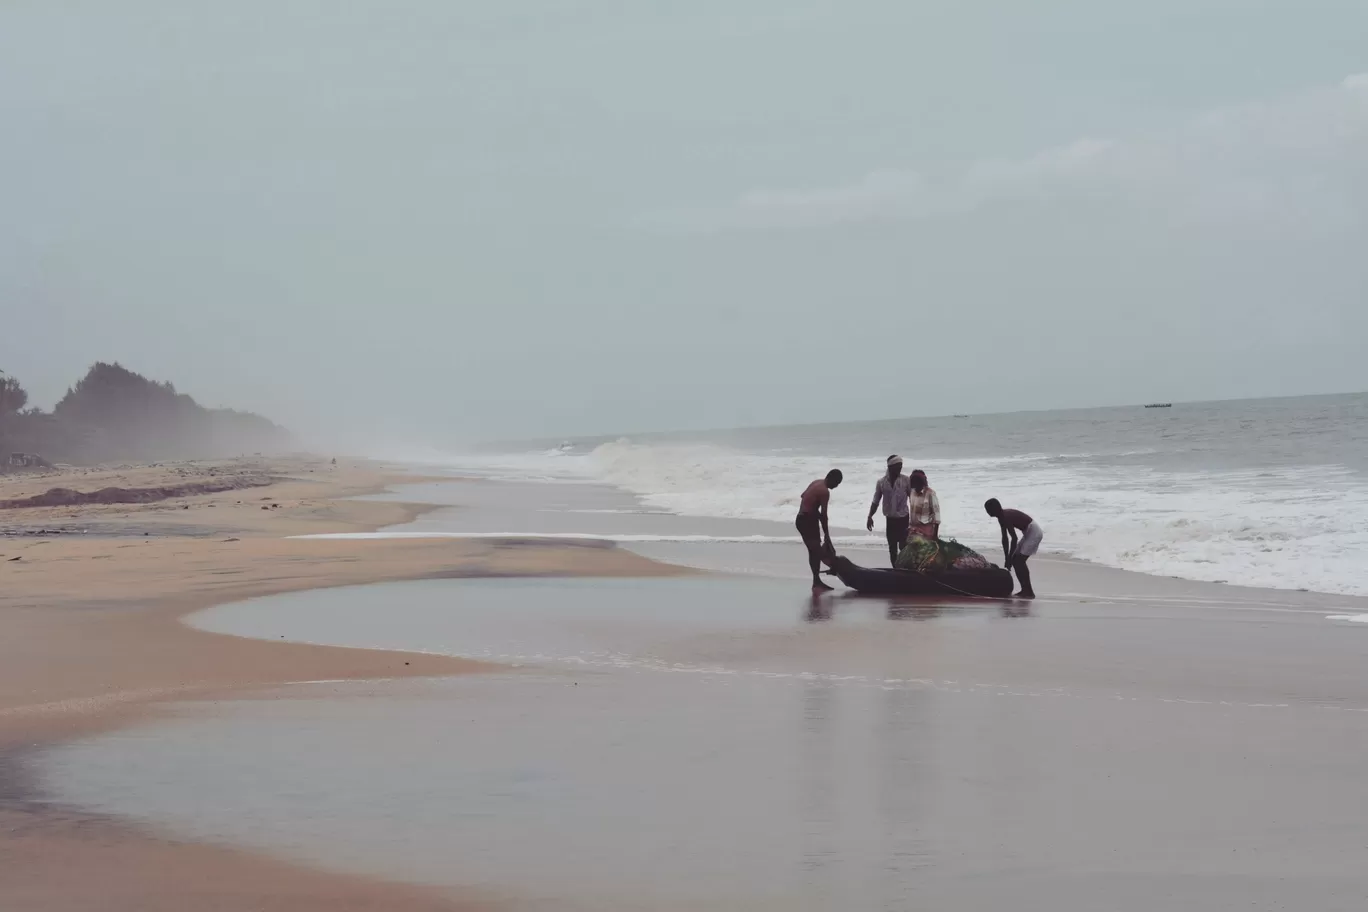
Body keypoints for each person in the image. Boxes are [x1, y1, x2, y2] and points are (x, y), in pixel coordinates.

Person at [984, 498, 1042, 598]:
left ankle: (1028, 591)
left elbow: (1014, 539)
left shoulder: (1005, 516)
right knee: (1016, 560)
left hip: (1034, 532)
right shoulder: (1001, 517)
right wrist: (1007, 558)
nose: (987, 512)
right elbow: (1005, 538)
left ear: (994, 509)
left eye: (988, 509)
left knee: (1019, 561)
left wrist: (1010, 558)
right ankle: (1025, 590)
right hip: (1028, 532)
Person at [797, 469, 843, 591]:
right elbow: (824, 516)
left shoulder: (816, 482)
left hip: (803, 519)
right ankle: (835, 569)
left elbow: (803, 497)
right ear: (831, 479)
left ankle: (816, 581)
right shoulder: (824, 492)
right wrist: (827, 535)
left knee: (813, 552)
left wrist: (813, 512)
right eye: (837, 483)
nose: (836, 486)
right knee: (818, 551)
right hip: (807, 522)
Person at [866, 455, 912, 566]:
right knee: (892, 548)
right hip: (890, 520)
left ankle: (905, 569)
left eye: (901, 466)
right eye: (898, 466)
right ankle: (896, 571)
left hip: (903, 519)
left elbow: (913, 499)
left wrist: (915, 519)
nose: (900, 468)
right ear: (890, 467)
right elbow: (875, 501)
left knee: (903, 547)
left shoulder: (906, 480)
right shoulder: (881, 482)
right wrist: (870, 516)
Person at [907, 469, 940, 541]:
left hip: (926, 531)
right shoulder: (912, 492)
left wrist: (935, 535)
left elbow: (936, 516)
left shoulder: (931, 493)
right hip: (913, 529)